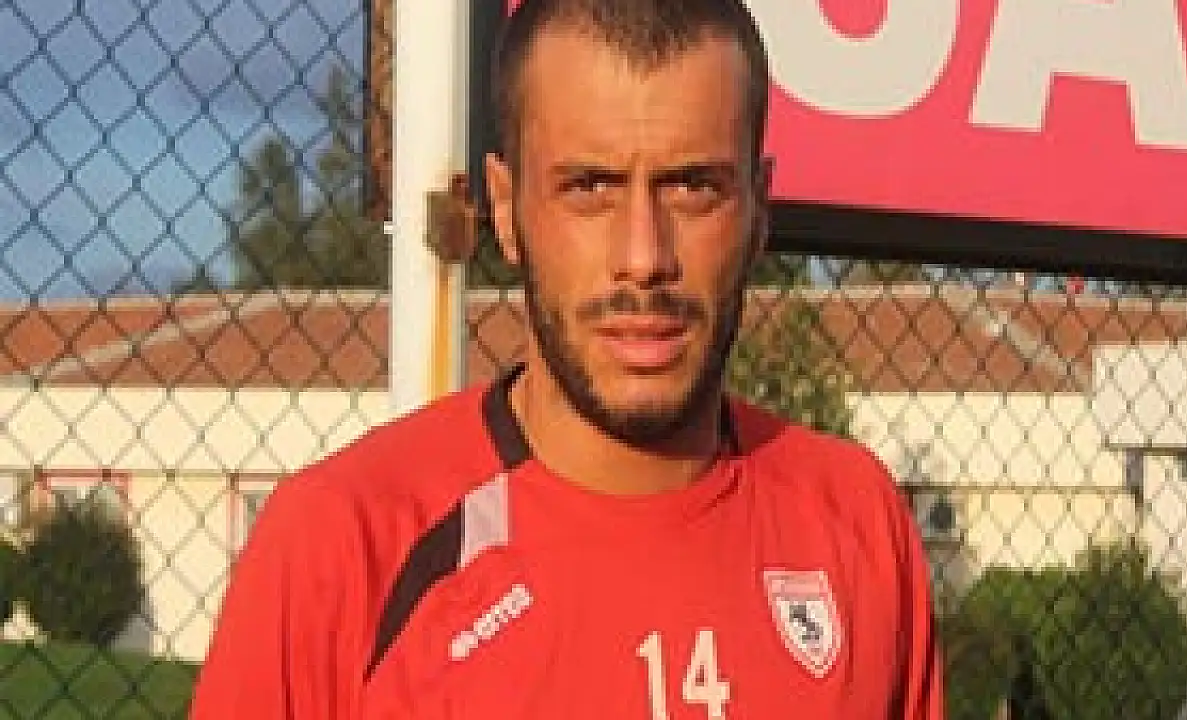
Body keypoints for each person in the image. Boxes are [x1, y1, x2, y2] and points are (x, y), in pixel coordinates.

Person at [190, 0, 943, 717]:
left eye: (693, 187)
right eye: (588, 187)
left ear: (757, 209)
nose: (643, 257)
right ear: (507, 208)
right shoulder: (339, 546)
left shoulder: (856, 519)